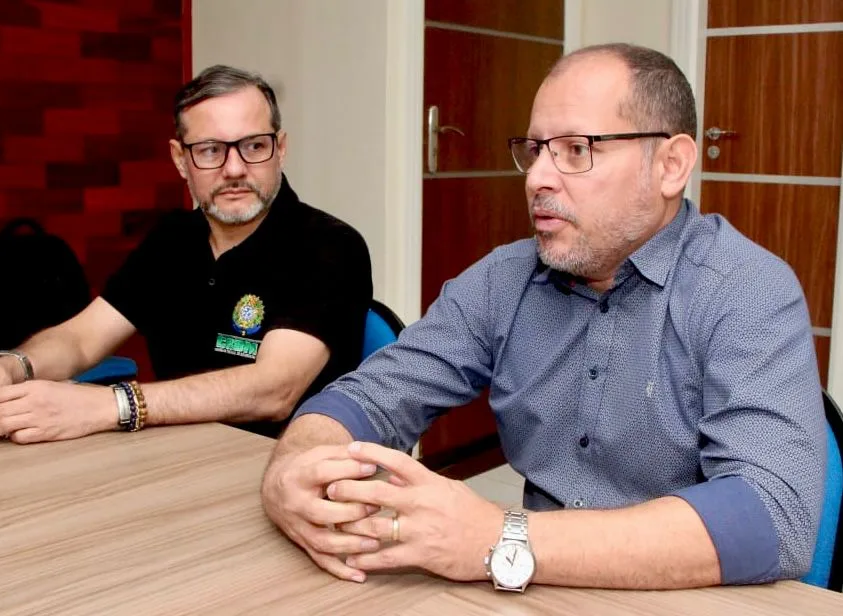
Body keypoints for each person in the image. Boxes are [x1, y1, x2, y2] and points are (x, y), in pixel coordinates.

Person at [260, 44, 825, 590]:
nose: (537, 179)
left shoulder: (748, 289)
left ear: (671, 165)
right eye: (534, 150)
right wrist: (293, 470)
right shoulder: (504, 278)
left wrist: (498, 536)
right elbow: (371, 395)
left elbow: (771, 518)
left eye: (576, 149)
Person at [0, 65, 373, 442]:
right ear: (181, 160)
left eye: (254, 146)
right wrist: (13, 365)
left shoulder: (330, 245)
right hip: (173, 459)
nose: (235, 168)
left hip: (288, 473)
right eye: (211, 151)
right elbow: (82, 339)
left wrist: (111, 405)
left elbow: (272, 390)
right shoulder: (173, 238)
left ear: (281, 149)